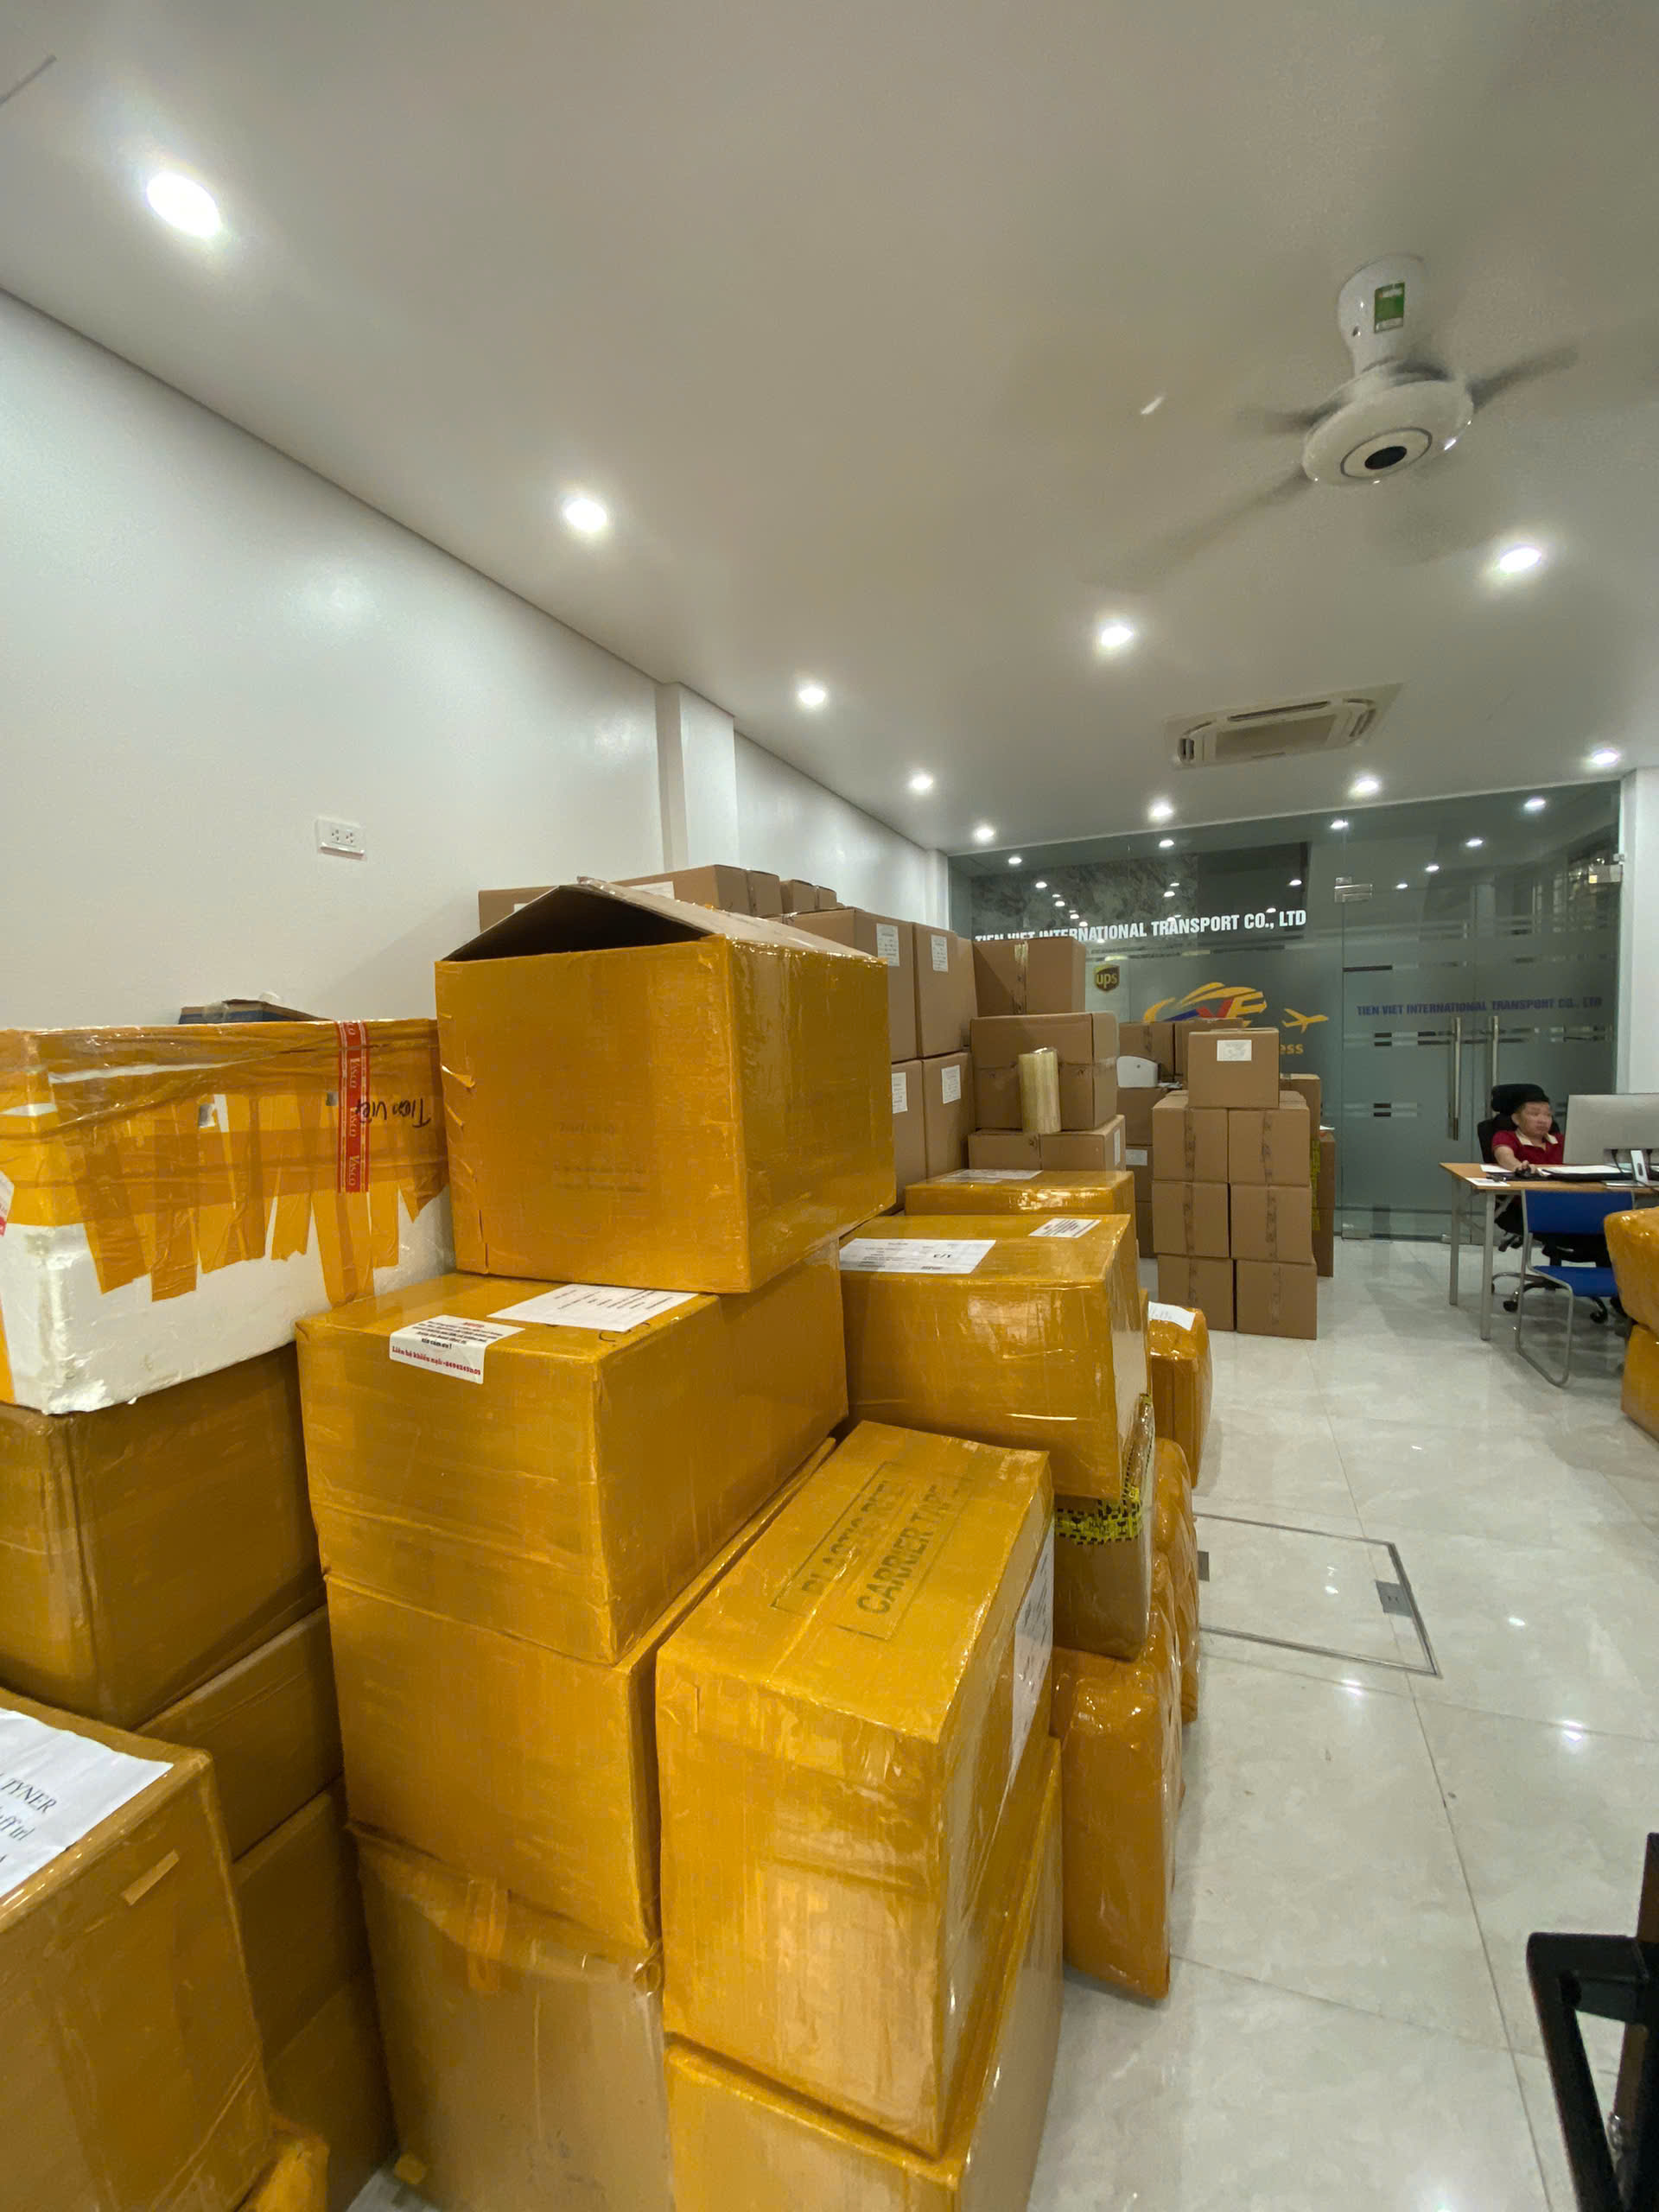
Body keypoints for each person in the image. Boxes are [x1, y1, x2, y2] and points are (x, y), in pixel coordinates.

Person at [1491, 1085, 1564, 1173]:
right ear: (1516, 1119)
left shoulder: (1561, 1140)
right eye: (1534, 1114)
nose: (1543, 1120)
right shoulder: (1505, 1137)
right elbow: (1505, 1157)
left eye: (1548, 1115)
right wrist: (1519, 1167)